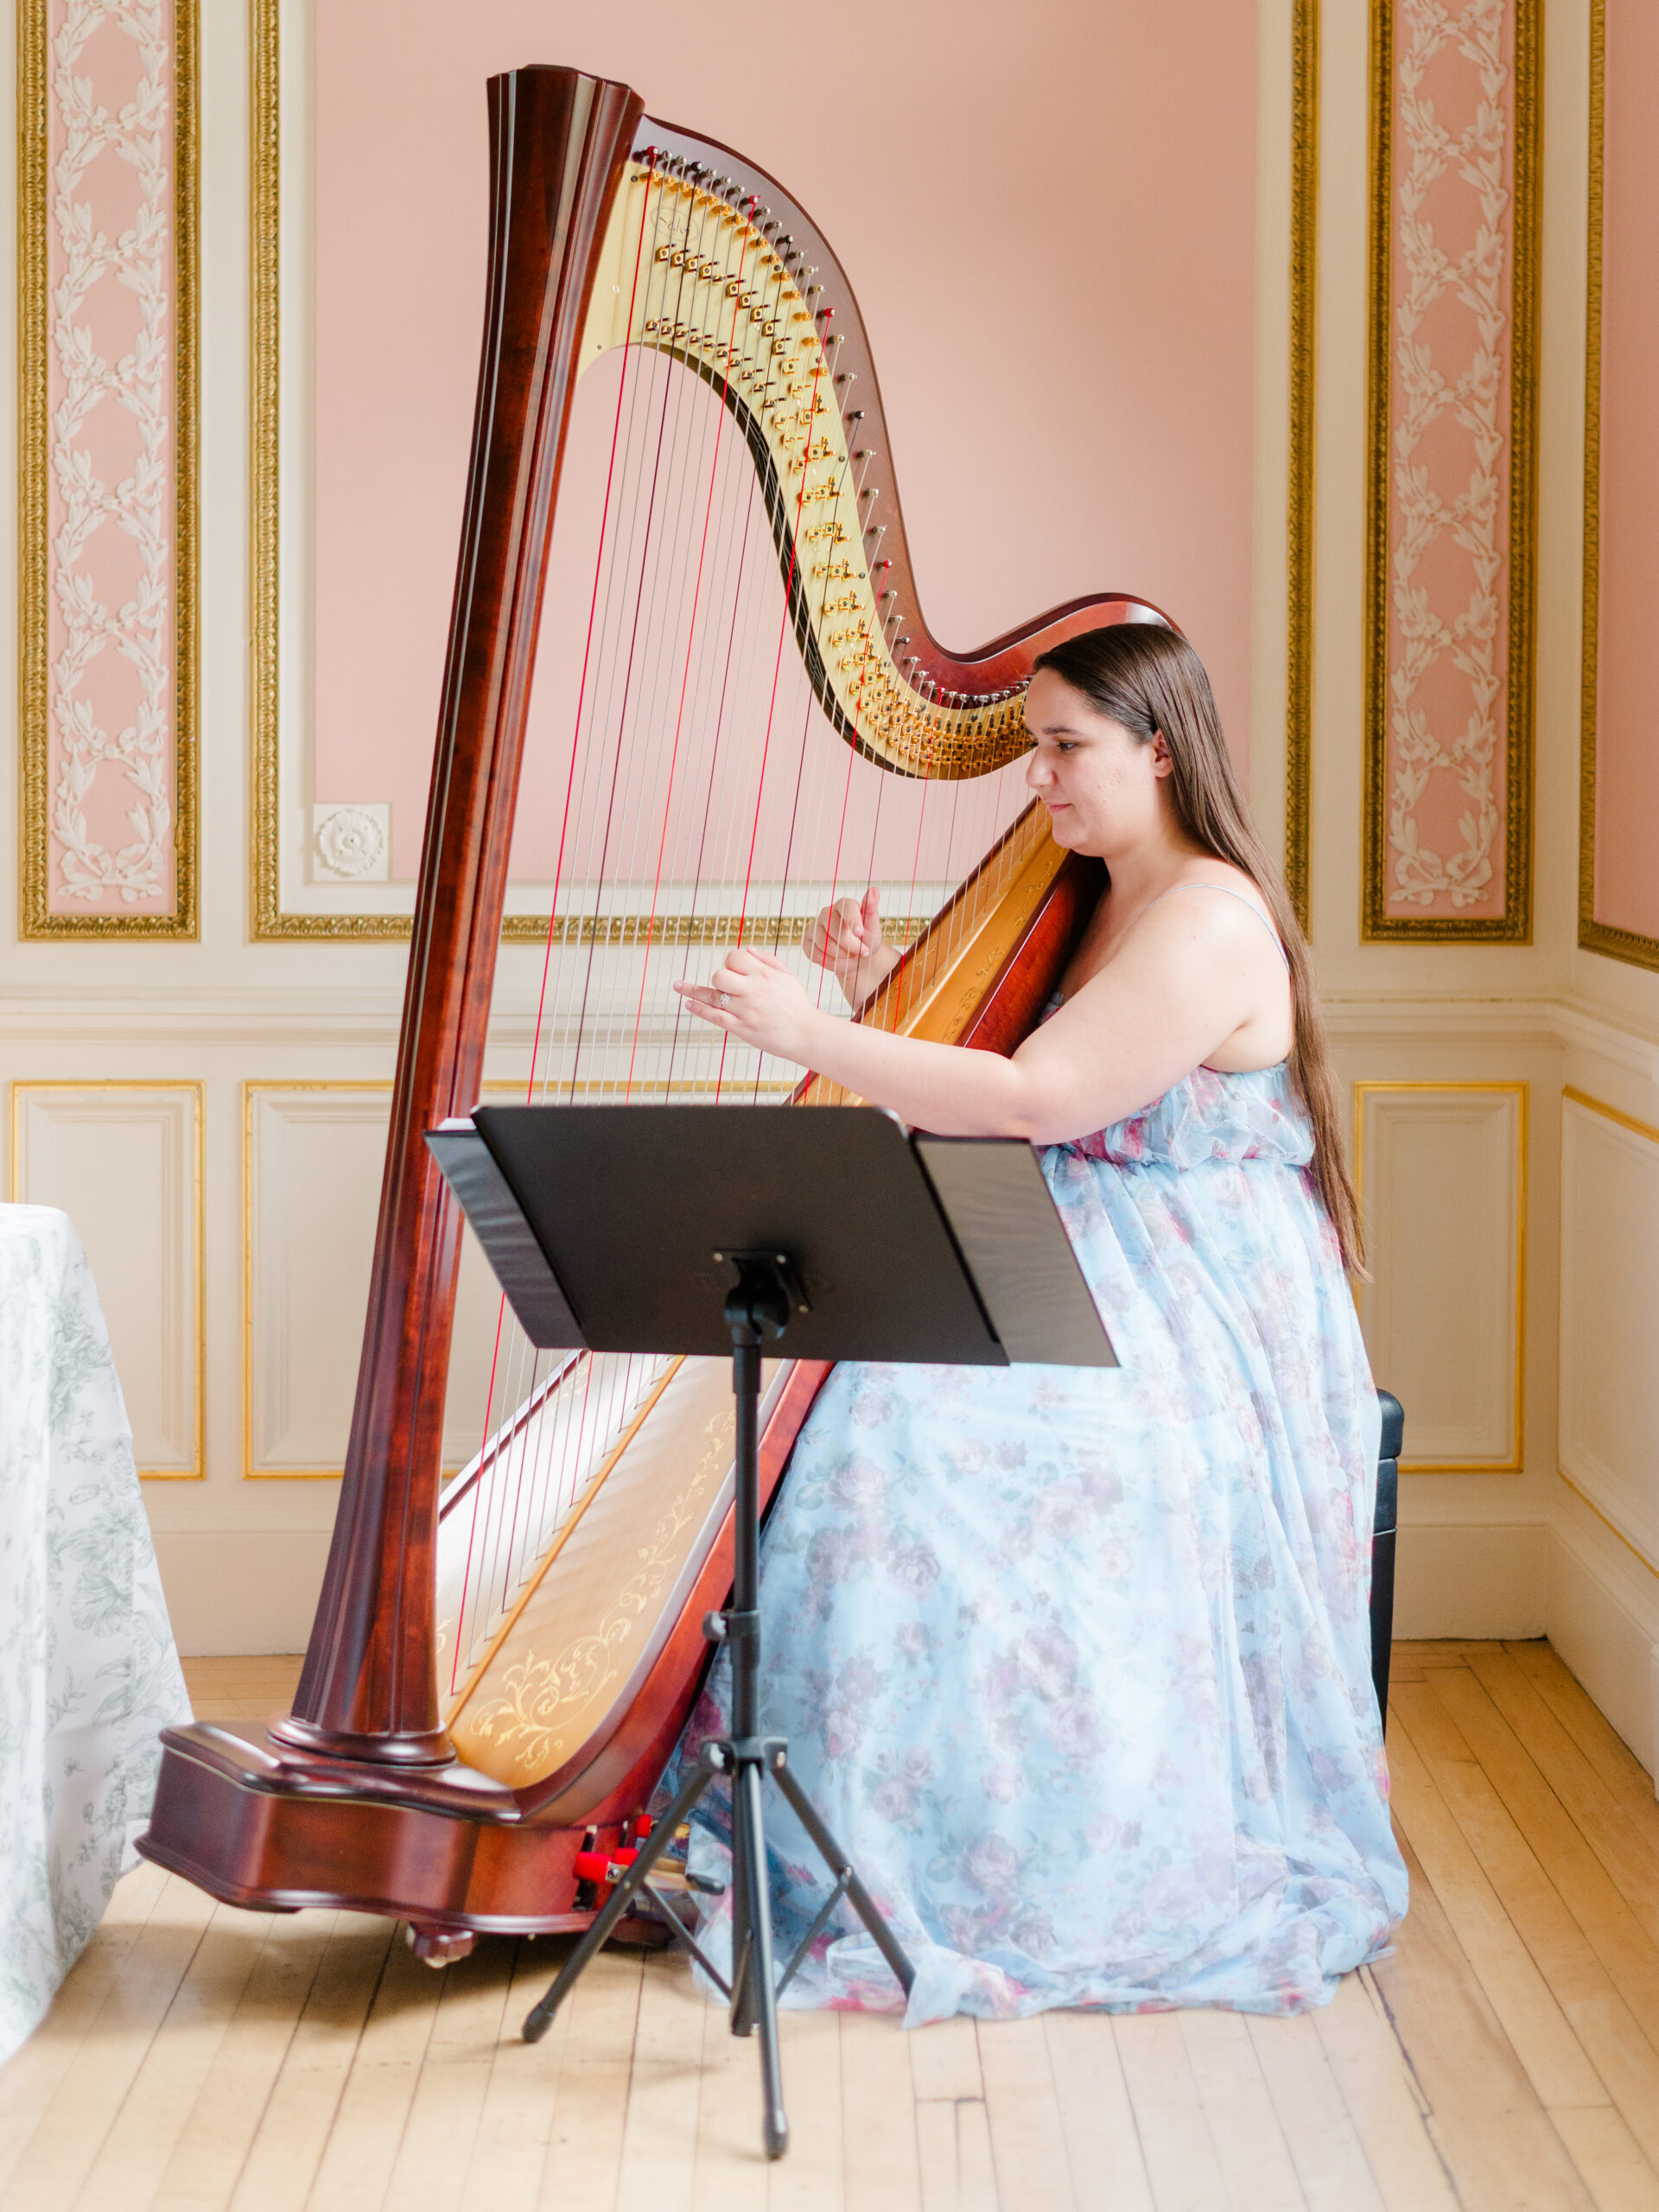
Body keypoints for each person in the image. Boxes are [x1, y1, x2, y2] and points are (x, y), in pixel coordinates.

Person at [668, 621, 1407, 2024]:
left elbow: (1033, 1104)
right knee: (857, 1421)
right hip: (1069, 1250)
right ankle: (843, 1813)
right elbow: (1008, 1069)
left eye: (1067, 749)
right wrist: (873, 990)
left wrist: (810, 1032)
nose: (1041, 781)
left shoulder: (1206, 918)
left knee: (914, 1467)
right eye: (1032, 750)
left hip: (1193, 1297)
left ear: (1162, 750)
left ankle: (973, 1859)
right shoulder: (1097, 888)